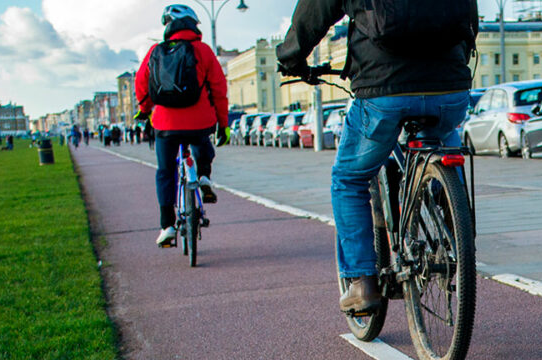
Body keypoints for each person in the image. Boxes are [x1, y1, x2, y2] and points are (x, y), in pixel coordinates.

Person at [277, 1, 477, 314]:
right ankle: (459, 239)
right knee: (443, 143)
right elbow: (469, 15)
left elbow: (314, 13)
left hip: (383, 89)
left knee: (349, 179)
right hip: (450, 87)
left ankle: (361, 284)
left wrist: (291, 57)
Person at [135, 4, 230, 247]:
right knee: (202, 143)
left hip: (165, 124)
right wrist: (223, 124)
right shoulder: (203, 51)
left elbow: (141, 84)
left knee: (165, 171)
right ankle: (204, 177)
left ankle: (166, 225)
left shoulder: (155, 51)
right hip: (200, 121)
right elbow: (219, 90)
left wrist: (145, 111)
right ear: (193, 25)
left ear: (168, 27)